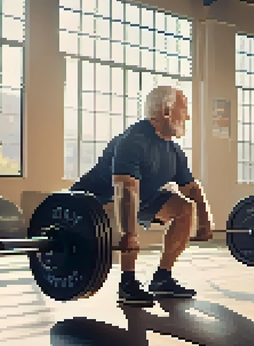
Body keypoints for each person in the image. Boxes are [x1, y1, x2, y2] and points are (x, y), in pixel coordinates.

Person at [70, 86, 213, 306]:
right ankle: (127, 283)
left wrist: (204, 221)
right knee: (130, 201)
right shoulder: (133, 140)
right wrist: (129, 235)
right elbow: (125, 189)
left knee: (184, 208)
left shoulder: (173, 151)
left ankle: (162, 278)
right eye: (183, 109)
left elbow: (191, 189)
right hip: (93, 203)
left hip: (138, 197)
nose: (188, 116)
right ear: (166, 111)